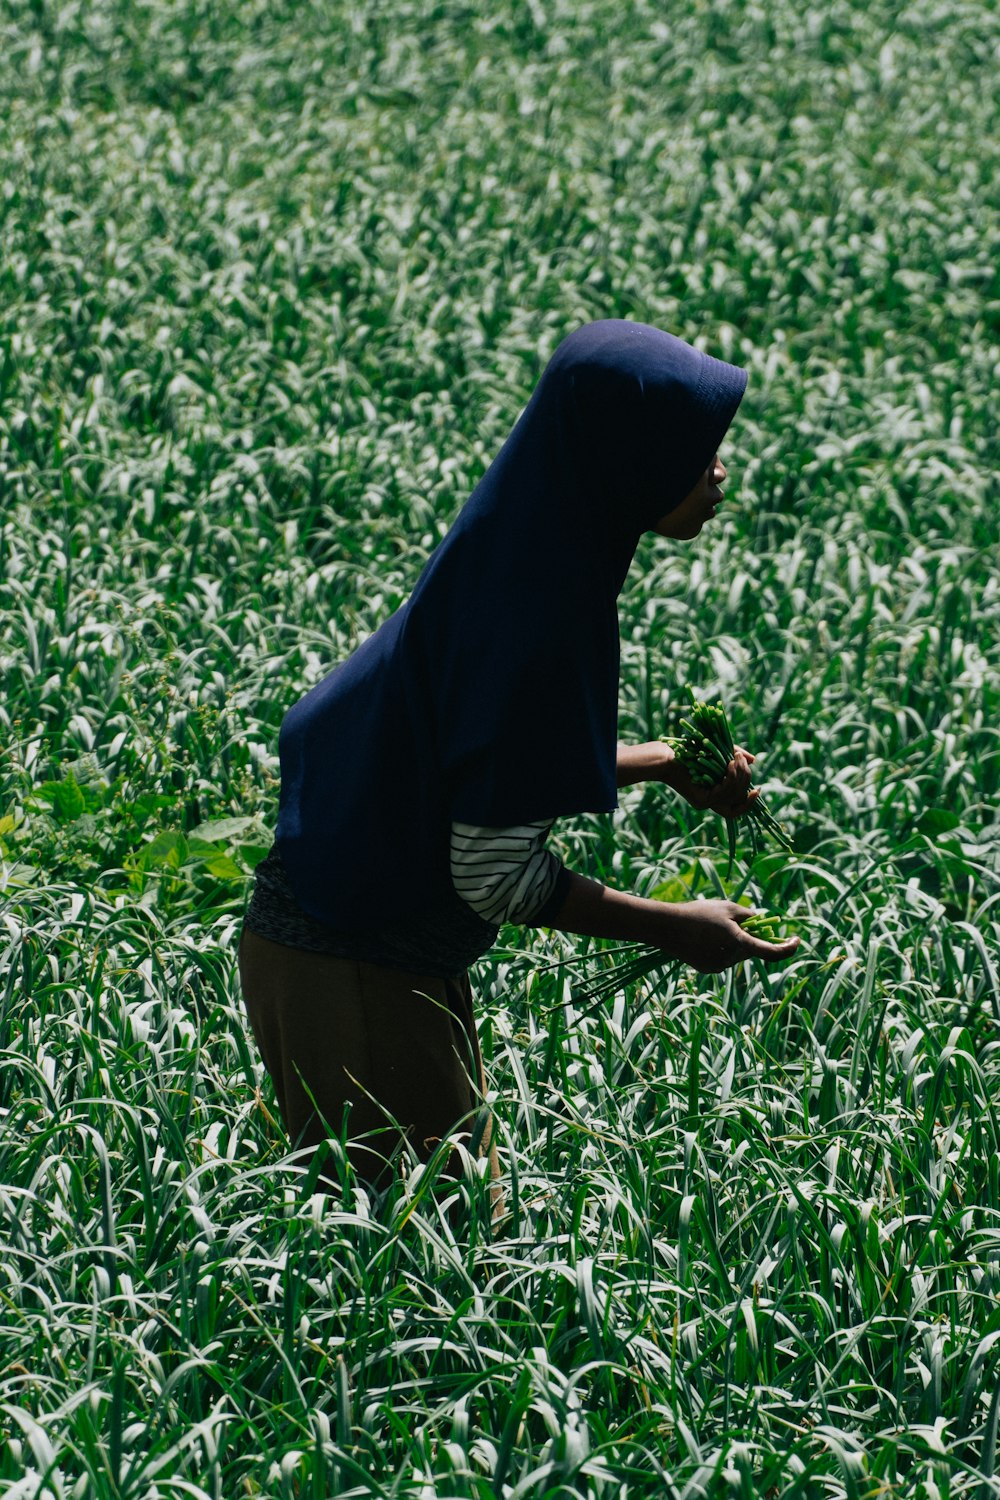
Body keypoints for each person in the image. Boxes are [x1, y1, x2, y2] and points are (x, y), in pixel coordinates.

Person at [237, 319, 800, 1194]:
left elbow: (472, 757)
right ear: (629, 463)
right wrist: (675, 924)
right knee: (434, 1273)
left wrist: (658, 763)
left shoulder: (517, 551)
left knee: (431, 1254)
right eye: (695, 453)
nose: (719, 472)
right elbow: (494, 876)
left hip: (348, 948)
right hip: (355, 975)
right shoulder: (544, 620)